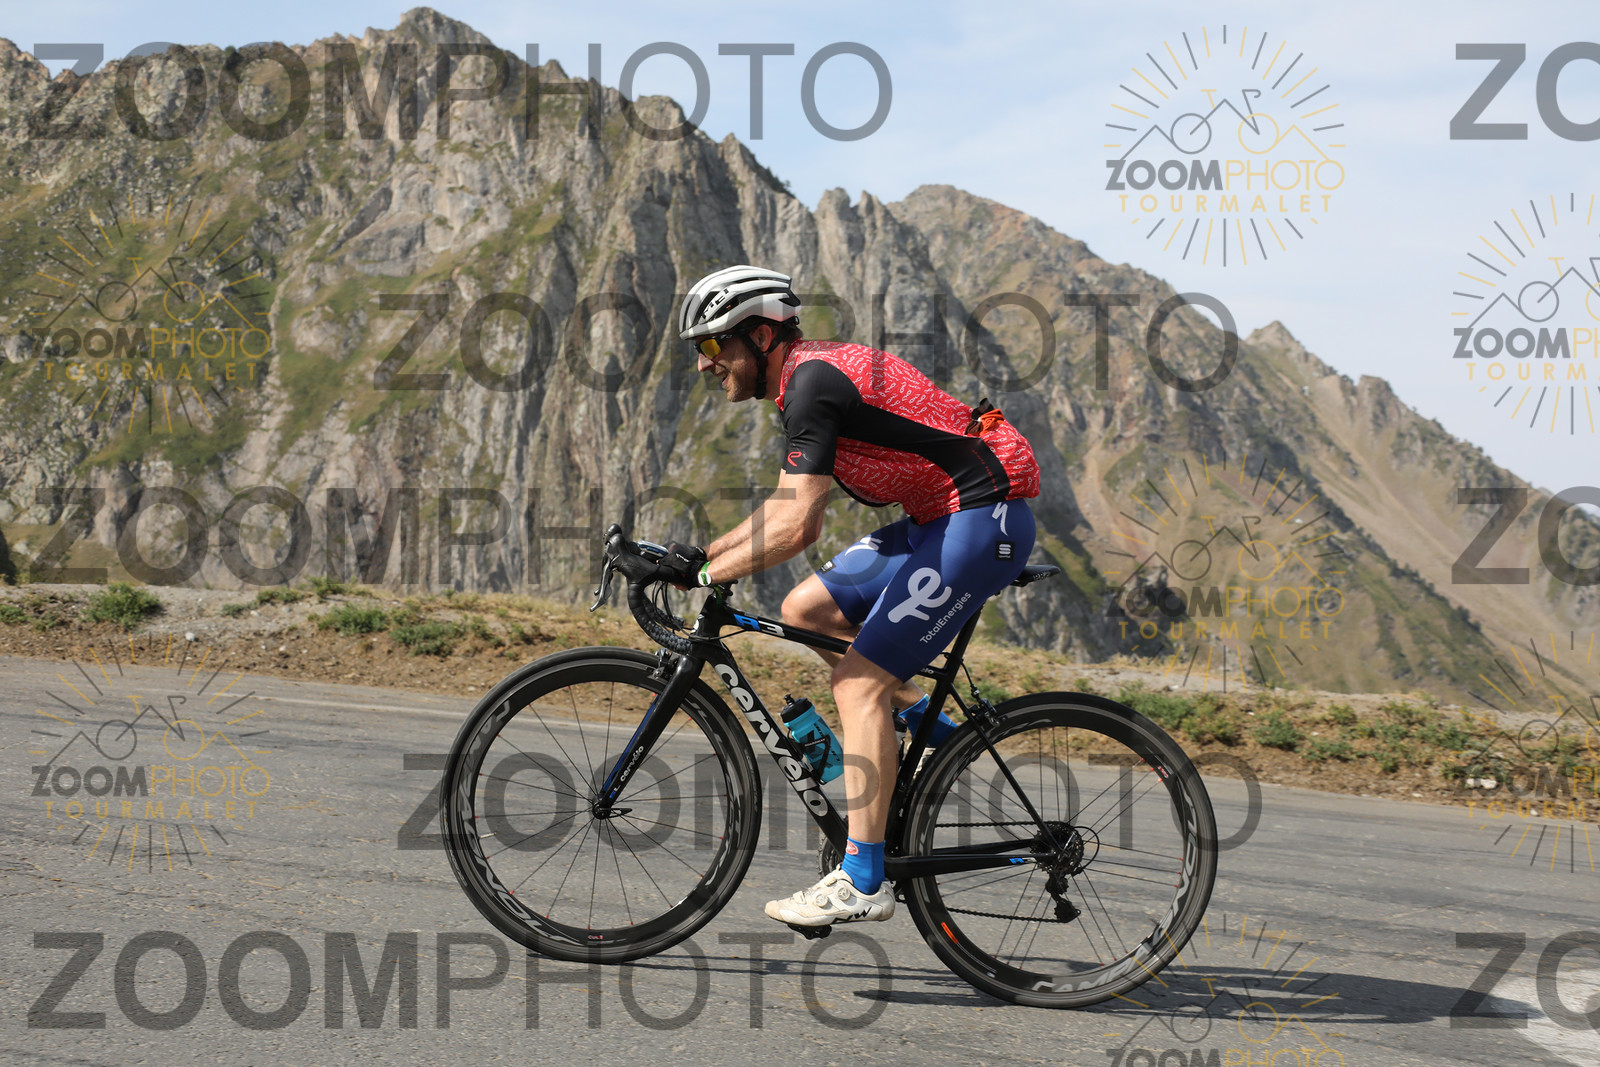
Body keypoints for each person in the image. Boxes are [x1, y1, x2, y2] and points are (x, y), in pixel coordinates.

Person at [659, 265, 1041, 928]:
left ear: (760, 335)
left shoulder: (810, 384)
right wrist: (700, 558)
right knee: (807, 612)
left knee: (859, 685)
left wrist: (704, 579)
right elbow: (783, 505)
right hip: (940, 516)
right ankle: (935, 737)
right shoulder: (803, 379)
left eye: (714, 344)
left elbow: (798, 527)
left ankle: (864, 879)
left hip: (983, 517)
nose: (703, 363)